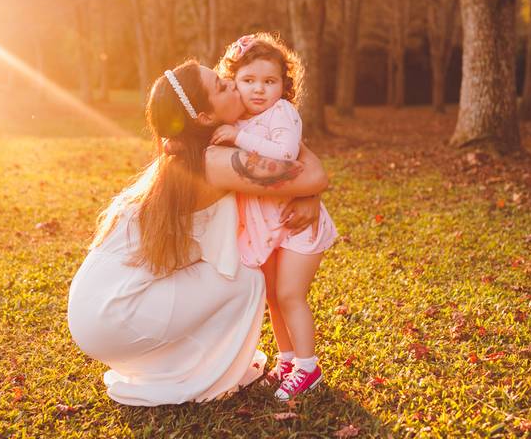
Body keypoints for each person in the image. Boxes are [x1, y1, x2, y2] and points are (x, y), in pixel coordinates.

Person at [67, 59, 329, 406]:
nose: (234, 84)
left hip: (93, 305)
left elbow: (296, 176)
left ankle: (183, 365)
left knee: (223, 271)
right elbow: (314, 175)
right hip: (114, 311)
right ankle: (206, 375)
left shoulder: (186, 156)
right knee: (246, 276)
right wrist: (300, 171)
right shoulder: (216, 162)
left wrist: (303, 187)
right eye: (221, 86)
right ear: (205, 118)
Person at [211, 33, 338, 400]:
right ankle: (286, 360)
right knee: (273, 297)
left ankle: (308, 367)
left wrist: (238, 137)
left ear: (284, 85)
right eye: (248, 80)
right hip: (266, 227)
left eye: (270, 82)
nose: (259, 90)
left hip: (298, 227)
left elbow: (284, 155)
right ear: (233, 81)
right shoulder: (237, 118)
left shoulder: (282, 113)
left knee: (290, 294)